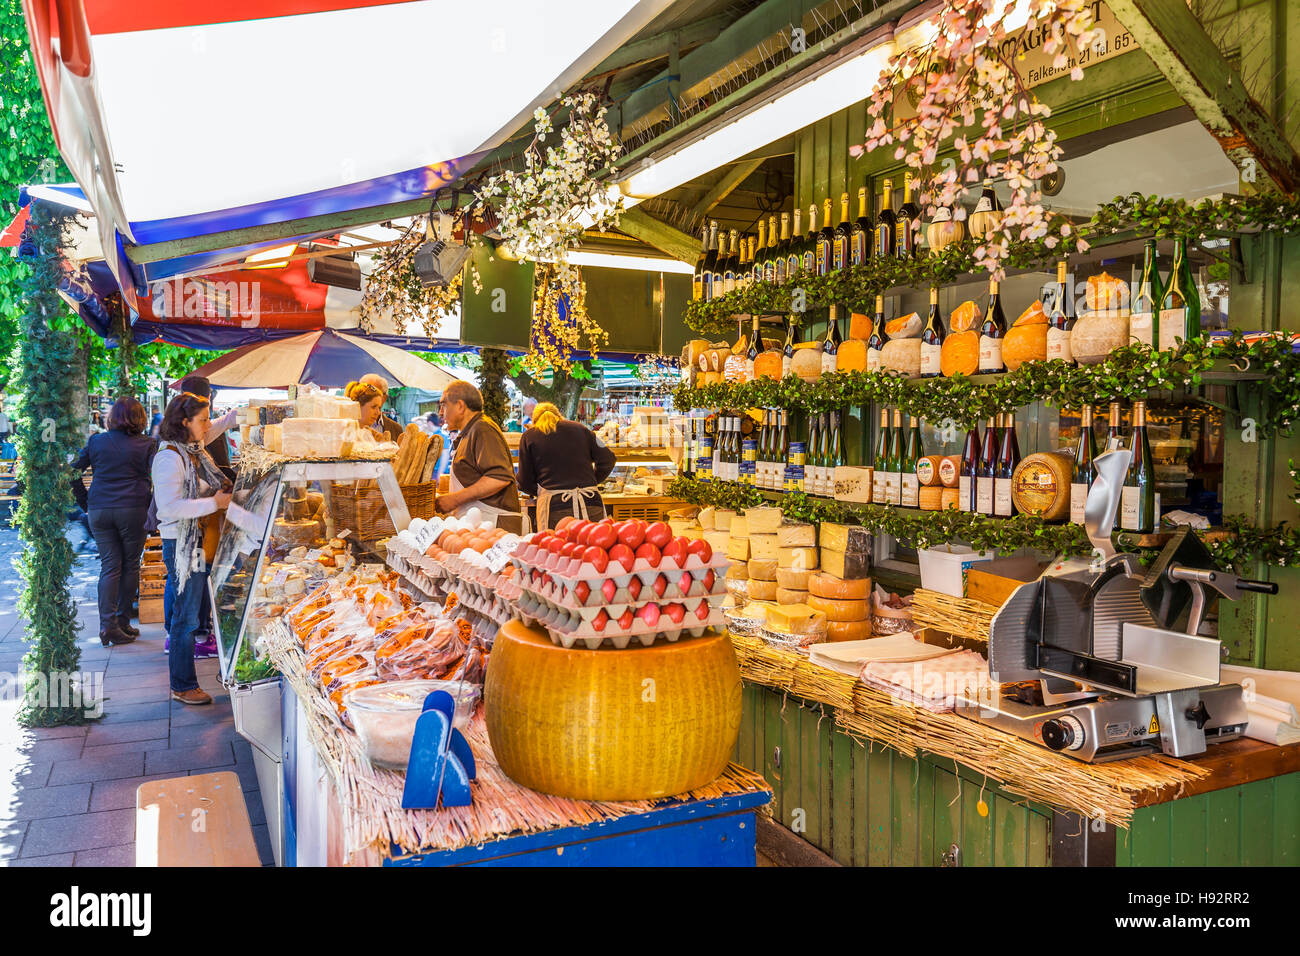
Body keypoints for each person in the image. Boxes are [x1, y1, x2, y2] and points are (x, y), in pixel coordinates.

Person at [153, 391, 232, 705]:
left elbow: (221, 425)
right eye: (202, 419)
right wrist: (214, 503)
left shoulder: (193, 449)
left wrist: (240, 415)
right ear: (185, 422)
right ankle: (182, 685)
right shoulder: (169, 457)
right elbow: (169, 508)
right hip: (181, 544)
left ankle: (184, 682)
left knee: (188, 617)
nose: (208, 425)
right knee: (185, 619)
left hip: (197, 539)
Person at [73, 398, 156, 645]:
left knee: (110, 566)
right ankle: (121, 621)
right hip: (133, 508)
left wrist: (86, 502)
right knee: (130, 565)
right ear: (141, 419)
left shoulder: (96, 441)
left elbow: (73, 472)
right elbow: (160, 477)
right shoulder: (148, 444)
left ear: (112, 418)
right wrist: (153, 505)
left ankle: (109, 626)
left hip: (99, 509)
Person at [435, 381, 521, 532]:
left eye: (444, 404)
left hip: (494, 528)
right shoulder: (469, 432)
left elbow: (499, 478)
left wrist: (455, 499)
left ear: (460, 406)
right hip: (479, 525)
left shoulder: (482, 429)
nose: (441, 412)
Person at [517, 402, 617, 532]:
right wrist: (591, 481)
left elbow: (524, 481)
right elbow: (609, 459)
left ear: (534, 420)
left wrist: (539, 491)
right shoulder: (583, 429)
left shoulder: (529, 436)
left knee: (559, 549)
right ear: (559, 415)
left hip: (554, 507)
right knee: (595, 546)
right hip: (591, 501)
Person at [359, 373, 404, 441]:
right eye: (364, 394)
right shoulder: (348, 426)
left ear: (384, 398)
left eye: (374, 394)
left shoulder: (396, 429)